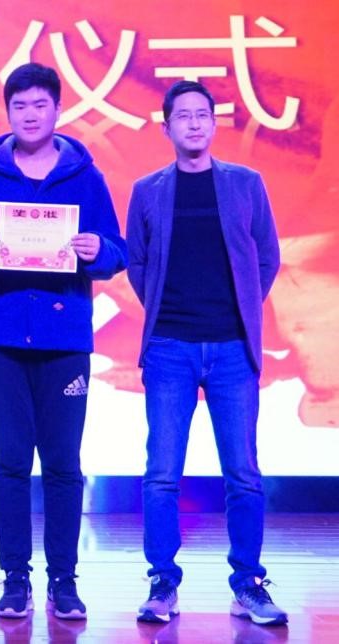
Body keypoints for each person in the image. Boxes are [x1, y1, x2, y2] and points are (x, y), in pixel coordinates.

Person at [0, 63, 127, 620]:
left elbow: (117, 251)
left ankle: (63, 580)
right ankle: (15, 578)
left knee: (64, 462)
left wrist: (98, 251)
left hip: (65, 340)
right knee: (10, 461)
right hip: (0, 338)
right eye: (19, 105)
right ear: (7, 112)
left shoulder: (86, 178)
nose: (29, 114)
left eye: (39, 104)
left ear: (57, 110)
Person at [127, 80, 286, 626]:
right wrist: (164, 309)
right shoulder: (147, 190)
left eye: (203, 115)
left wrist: (242, 309)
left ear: (214, 124)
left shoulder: (246, 184)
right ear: (166, 126)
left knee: (243, 472)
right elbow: (138, 263)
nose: (194, 124)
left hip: (232, 347)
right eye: (183, 116)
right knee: (161, 473)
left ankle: (249, 585)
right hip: (169, 347)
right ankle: (162, 583)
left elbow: (267, 257)